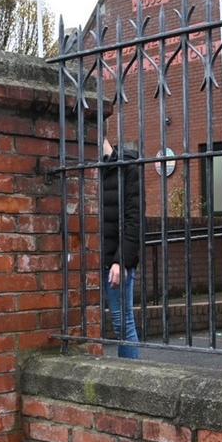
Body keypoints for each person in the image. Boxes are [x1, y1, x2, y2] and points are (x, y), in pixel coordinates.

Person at [100, 137, 142, 358]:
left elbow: (134, 220)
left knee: (122, 324)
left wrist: (120, 260)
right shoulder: (88, 168)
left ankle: (132, 379)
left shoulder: (128, 167)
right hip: (89, 259)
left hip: (115, 261)